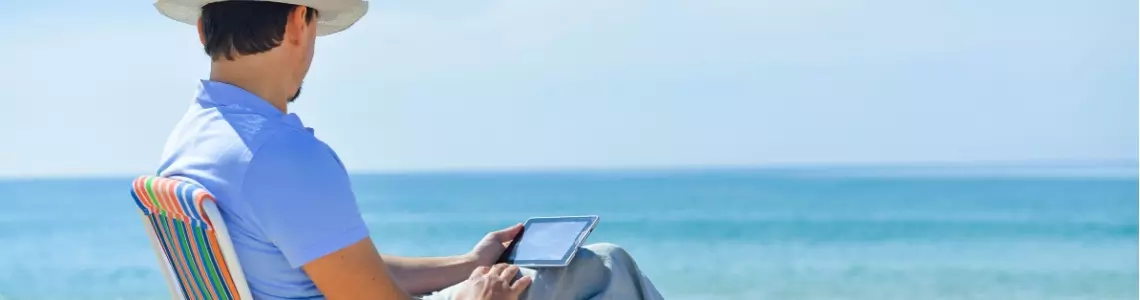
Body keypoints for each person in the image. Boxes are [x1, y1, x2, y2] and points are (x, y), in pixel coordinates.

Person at [151, 1, 664, 299]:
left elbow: (344, 270)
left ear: (203, 29)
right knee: (606, 264)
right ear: (296, 23)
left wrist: (467, 265)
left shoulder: (191, 139)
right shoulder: (280, 156)